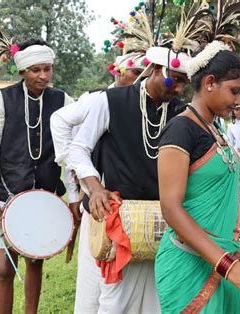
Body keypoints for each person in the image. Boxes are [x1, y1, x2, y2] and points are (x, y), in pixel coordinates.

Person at [156, 40, 240, 314]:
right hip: (190, 266)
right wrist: (228, 265)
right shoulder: (180, 130)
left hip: (221, 259)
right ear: (209, 82)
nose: (239, 101)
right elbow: (171, 208)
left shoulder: (215, 128)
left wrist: (234, 249)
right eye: (234, 91)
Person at [51, 51, 148, 313]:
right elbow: (59, 120)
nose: (142, 79)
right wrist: (71, 161)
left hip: (136, 215)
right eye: (136, 72)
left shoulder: (149, 104)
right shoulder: (98, 99)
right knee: (92, 289)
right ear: (118, 71)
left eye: (146, 73)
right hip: (100, 206)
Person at [0, 37, 76, 313]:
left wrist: (74, 199)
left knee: (35, 260)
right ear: (23, 70)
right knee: (4, 268)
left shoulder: (63, 100)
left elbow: (72, 153)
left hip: (46, 196)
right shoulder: (2, 99)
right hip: (7, 196)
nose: (43, 75)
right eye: (36, 70)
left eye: (47, 69)